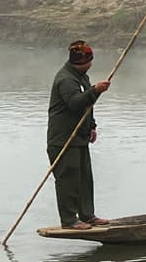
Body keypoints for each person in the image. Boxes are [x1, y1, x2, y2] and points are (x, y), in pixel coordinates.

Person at [47, 40, 111, 230]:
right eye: (90, 61)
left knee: (84, 179)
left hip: (79, 139)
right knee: (68, 180)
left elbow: (86, 106)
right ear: (83, 62)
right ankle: (69, 220)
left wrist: (91, 125)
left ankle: (87, 215)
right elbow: (75, 103)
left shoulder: (81, 76)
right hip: (63, 140)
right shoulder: (66, 79)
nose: (91, 64)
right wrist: (95, 90)